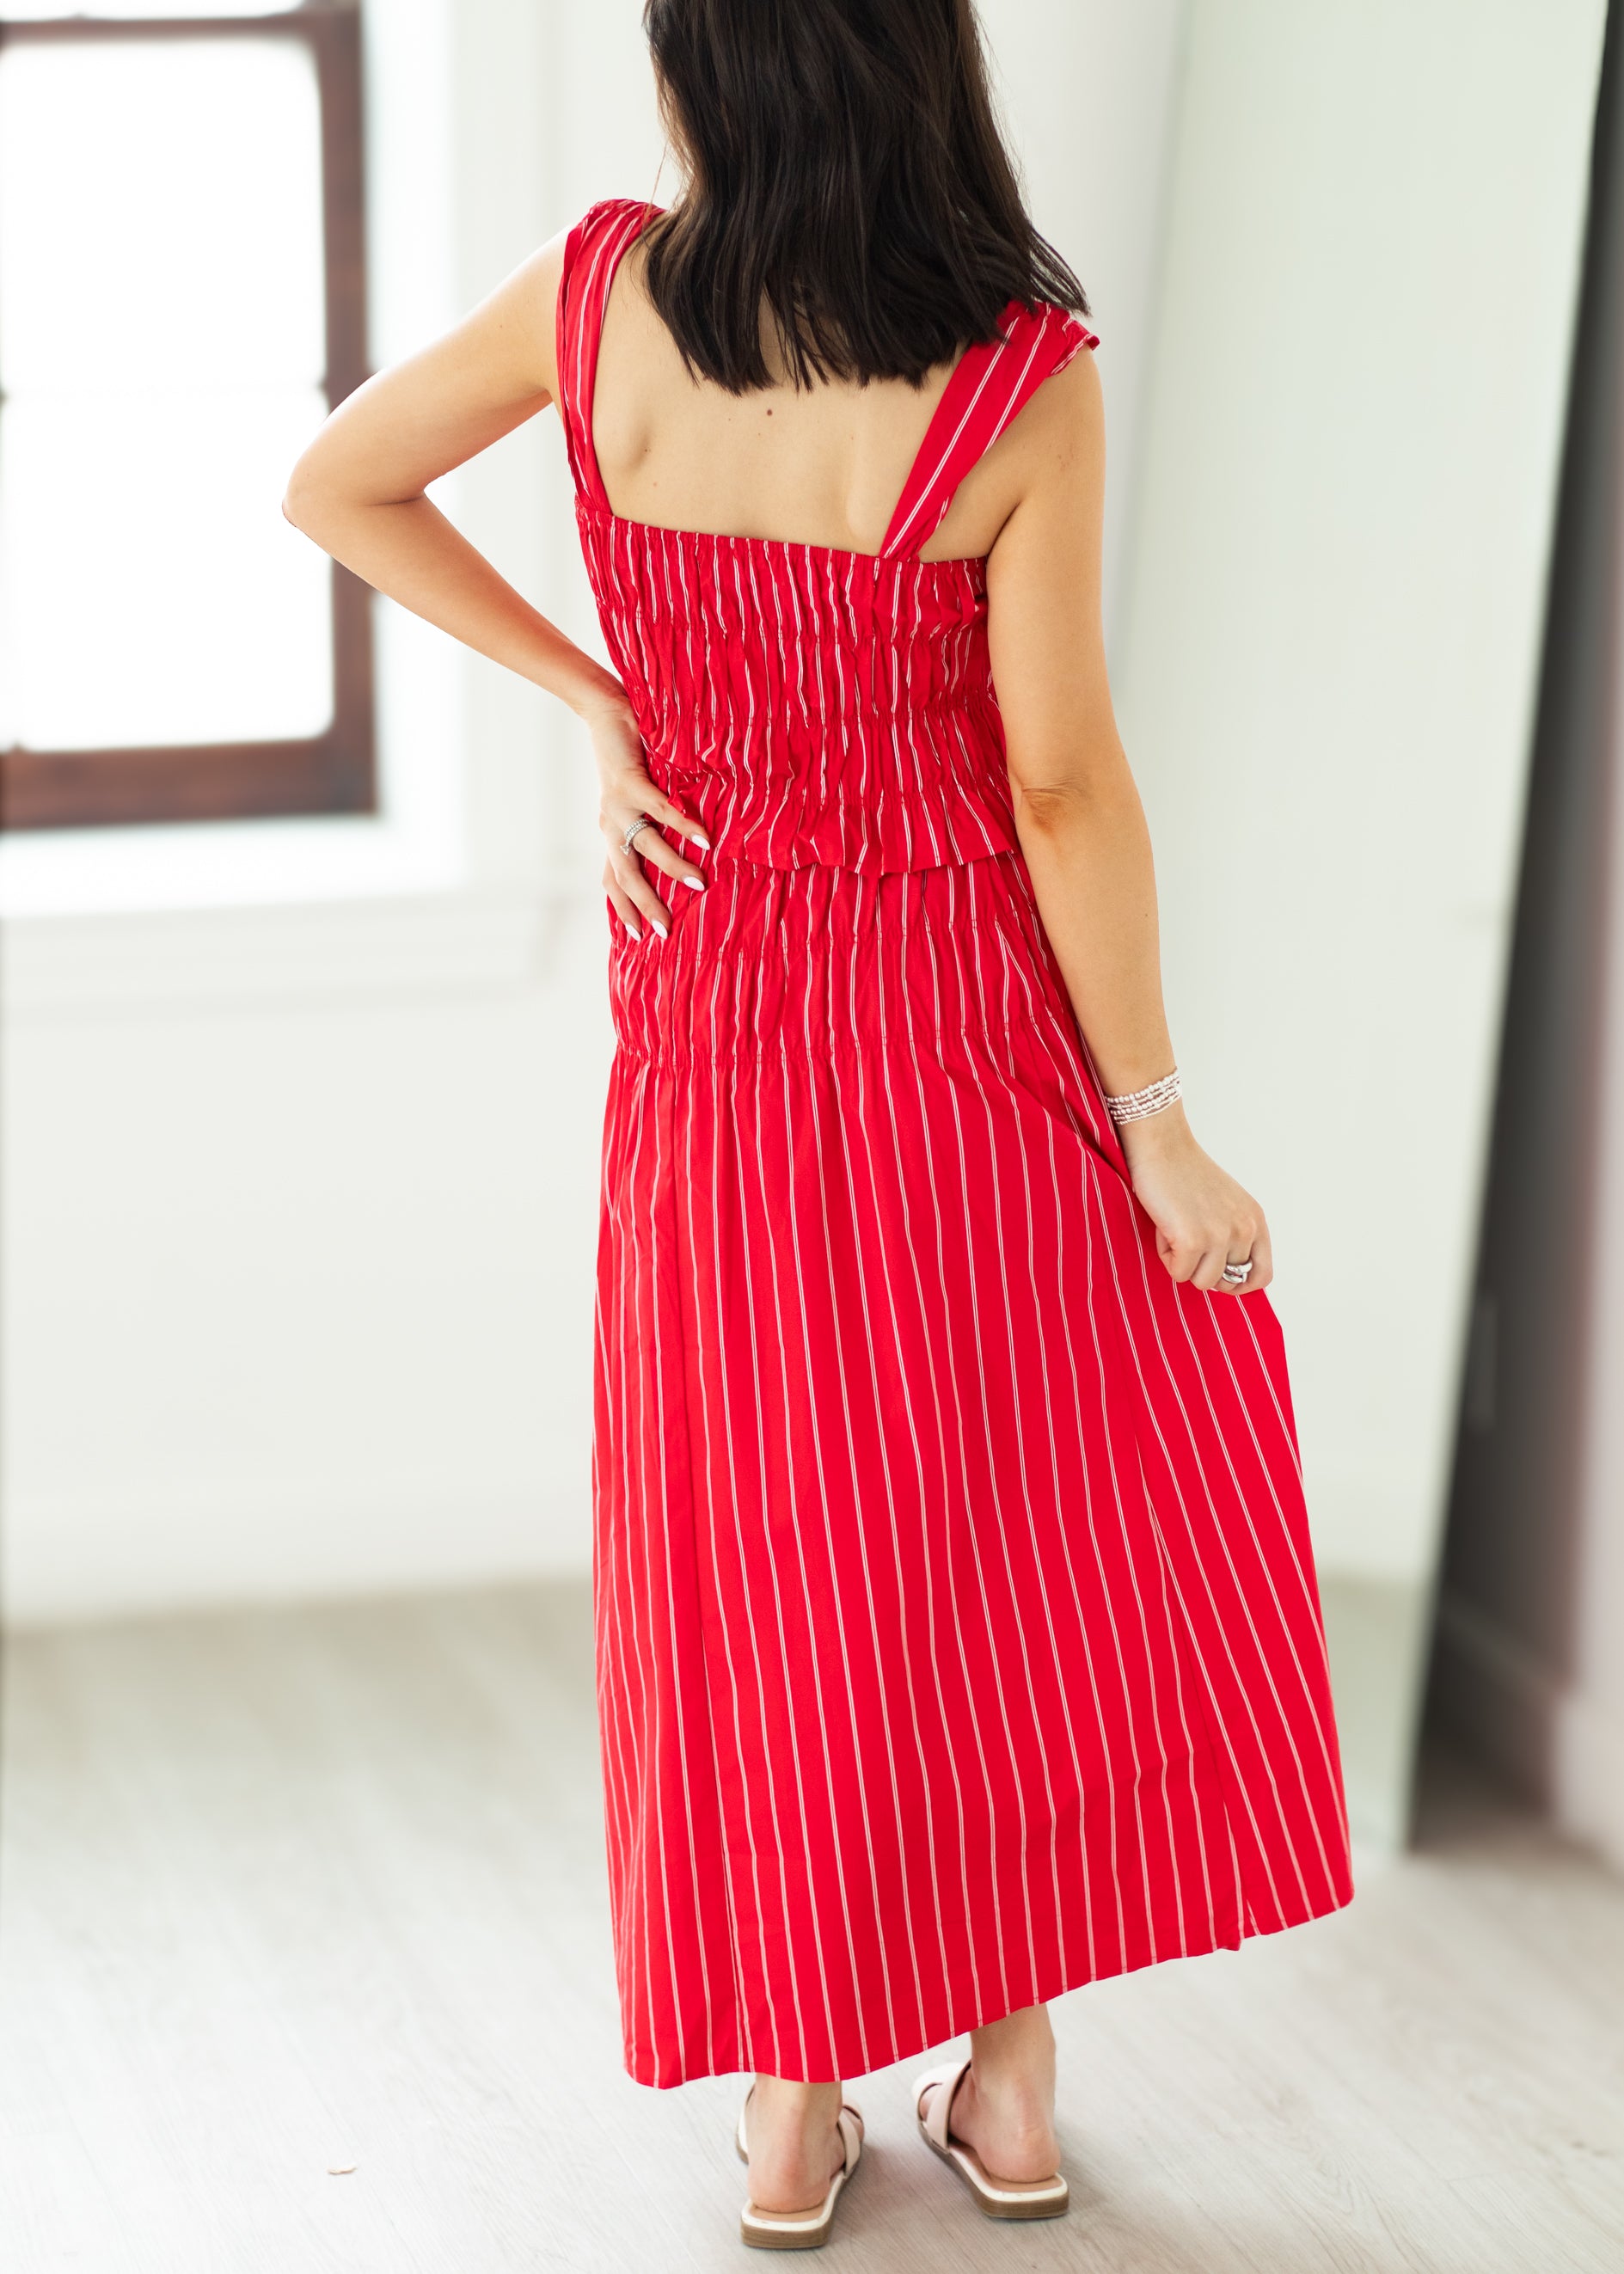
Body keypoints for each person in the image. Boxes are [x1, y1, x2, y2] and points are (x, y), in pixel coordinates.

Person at [285, 0, 1354, 2249]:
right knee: (998, 1536)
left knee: (761, 1543)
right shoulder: (1015, 381)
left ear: (721, 75)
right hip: (963, 1016)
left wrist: (606, 706)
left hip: (717, 1012)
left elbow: (339, 481)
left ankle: (790, 2107)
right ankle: (1017, 2079)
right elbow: (1058, 788)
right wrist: (1155, 1123)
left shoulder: (597, 303)